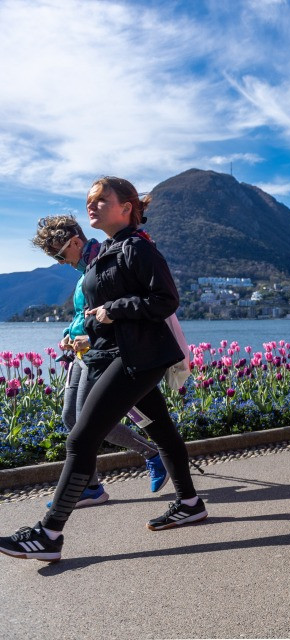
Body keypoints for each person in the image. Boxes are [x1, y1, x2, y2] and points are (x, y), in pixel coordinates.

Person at [1, 177, 205, 562]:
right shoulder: (110, 251)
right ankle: (191, 502)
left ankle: (49, 534)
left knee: (81, 438)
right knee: (160, 428)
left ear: (126, 206)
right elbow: (101, 312)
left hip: (135, 359)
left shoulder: (137, 249)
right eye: (89, 201)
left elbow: (165, 300)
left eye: (100, 200)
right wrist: (90, 328)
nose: (91, 206)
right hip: (120, 355)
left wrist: (113, 311)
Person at [30, 215, 168, 505]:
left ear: (75, 241)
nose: (59, 262)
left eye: (59, 254)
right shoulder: (84, 271)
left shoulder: (105, 262)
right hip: (81, 354)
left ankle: (149, 456)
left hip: (102, 352)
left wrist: (90, 339)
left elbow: (116, 314)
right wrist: (69, 333)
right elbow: (84, 315)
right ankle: (93, 486)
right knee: (71, 418)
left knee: (87, 423)